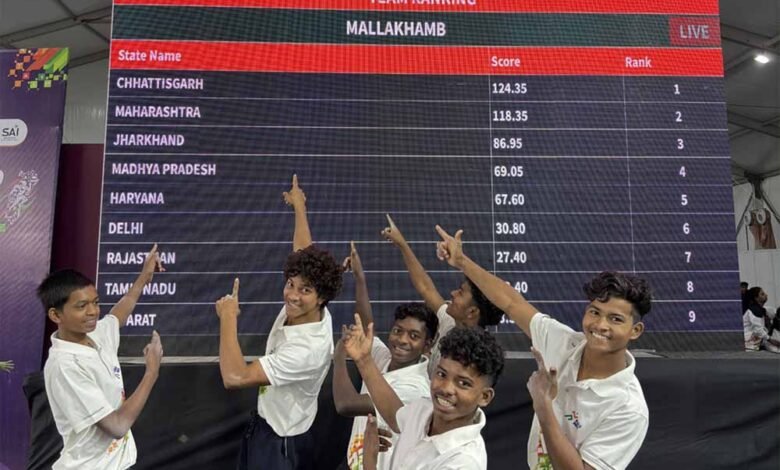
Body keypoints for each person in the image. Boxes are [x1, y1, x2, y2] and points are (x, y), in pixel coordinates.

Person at [435, 226, 652, 470]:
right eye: (595, 312)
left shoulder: (628, 408)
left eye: (615, 319)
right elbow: (511, 302)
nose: (600, 325)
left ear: (635, 330)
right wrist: (462, 261)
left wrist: (543, 404)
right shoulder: (563, 342)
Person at [215, 175, 343, 470]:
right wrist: (299, 206)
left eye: (305, 290)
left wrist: (228, 318)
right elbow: (303, 252)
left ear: (322, 297)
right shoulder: (312, 311)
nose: (292, 295)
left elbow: (234, 377)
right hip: (268, 425)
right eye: (290, 284)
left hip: (281, 444)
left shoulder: (305, 350)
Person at [39, 245, 164, 470]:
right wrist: (152, 372)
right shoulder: (65, 366)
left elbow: (118, 313)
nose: (93, 312)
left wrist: (144, 277)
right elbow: (117, 426)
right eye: (82, 306)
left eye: (95, 302)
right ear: (56, 315)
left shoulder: (95, 334)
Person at [342, 315, 504, 470]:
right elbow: (395, 415)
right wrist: (363, 360)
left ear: (485, 397)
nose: (446, 388)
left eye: (463, 383)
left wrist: (369, 462)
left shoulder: (463, 463)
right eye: (441, 374)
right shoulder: (424, 408)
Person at [334, 242, 436, 470]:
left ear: (427, 345)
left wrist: (339, 355)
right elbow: (366, 325)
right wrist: (360, 278)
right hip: (354, 462)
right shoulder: (386, 359)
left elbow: (346, 405)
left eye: (414, 336)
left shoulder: (415, 388)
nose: (402, 340)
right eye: (398, 331)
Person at [381, 214, 504, 375]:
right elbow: (425, 287)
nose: (453, 293)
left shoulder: (475, 356)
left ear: (472, 312)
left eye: (460, 292)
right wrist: (402, 244)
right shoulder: (451, 323)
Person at [742, 286, 780, 352]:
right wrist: (770, 339)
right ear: (756, 298)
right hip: (749, 339)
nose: (766, 295)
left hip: (758, 338)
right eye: (762, 294)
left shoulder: (762, 309)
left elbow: (773, 312)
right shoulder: (754, 310)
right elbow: (758, 330)